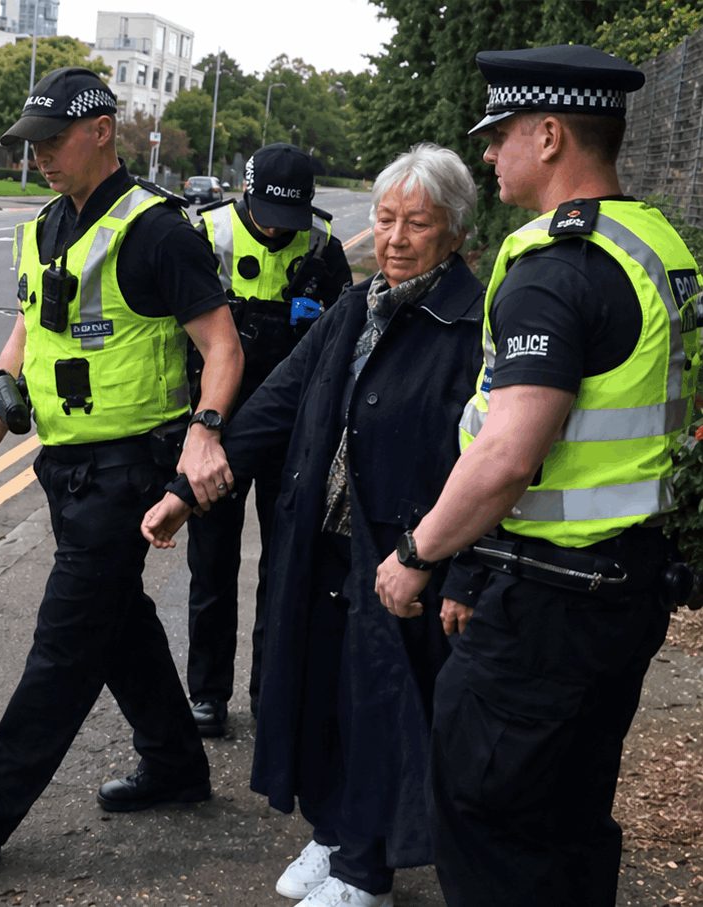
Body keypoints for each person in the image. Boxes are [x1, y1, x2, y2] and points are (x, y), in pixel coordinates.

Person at [373, 45, 698, 906]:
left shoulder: (557, 269)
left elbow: (509, 454)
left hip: (547, 613)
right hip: (622, 592)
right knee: (570, 821)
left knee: (492, 830)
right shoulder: (653, 245)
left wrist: (417, 553)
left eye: (500, 134)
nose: (487, 154)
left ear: (549, 135)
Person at [0, 67, 244, 866]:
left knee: (63, 643)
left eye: (55, 140)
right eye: (34, 144)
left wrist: (205, 433)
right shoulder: (48, 225)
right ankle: (174, 763)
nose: (43, 156)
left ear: (101, 131)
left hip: (131, 466)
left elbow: (224, 346)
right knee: (114, 621)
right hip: (65, 466)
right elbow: (28, 340)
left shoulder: (155, 228)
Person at [145, 143, 483, 906]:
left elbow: (490, 464)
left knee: (379, 704)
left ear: (455, 231)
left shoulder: (469, 325)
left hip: (399, 550)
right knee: (323, 694)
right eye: (387, 218)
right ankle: (334, 830)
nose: (394, 238)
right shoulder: (356, 305)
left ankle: (367, 869)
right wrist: (185, 491)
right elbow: (275, 406)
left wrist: (458, 569)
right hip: (322, 541)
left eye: (417, 223)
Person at [183, 143, 352, 736]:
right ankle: (206, 696)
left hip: (291, 430)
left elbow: (345, 342)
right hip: (219, 428)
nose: (279, 226)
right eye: (268, 211)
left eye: (291, 214)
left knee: (285, 569)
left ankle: (270, 695)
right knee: (212, 567)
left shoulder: (323, 246)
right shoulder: (205, 234)